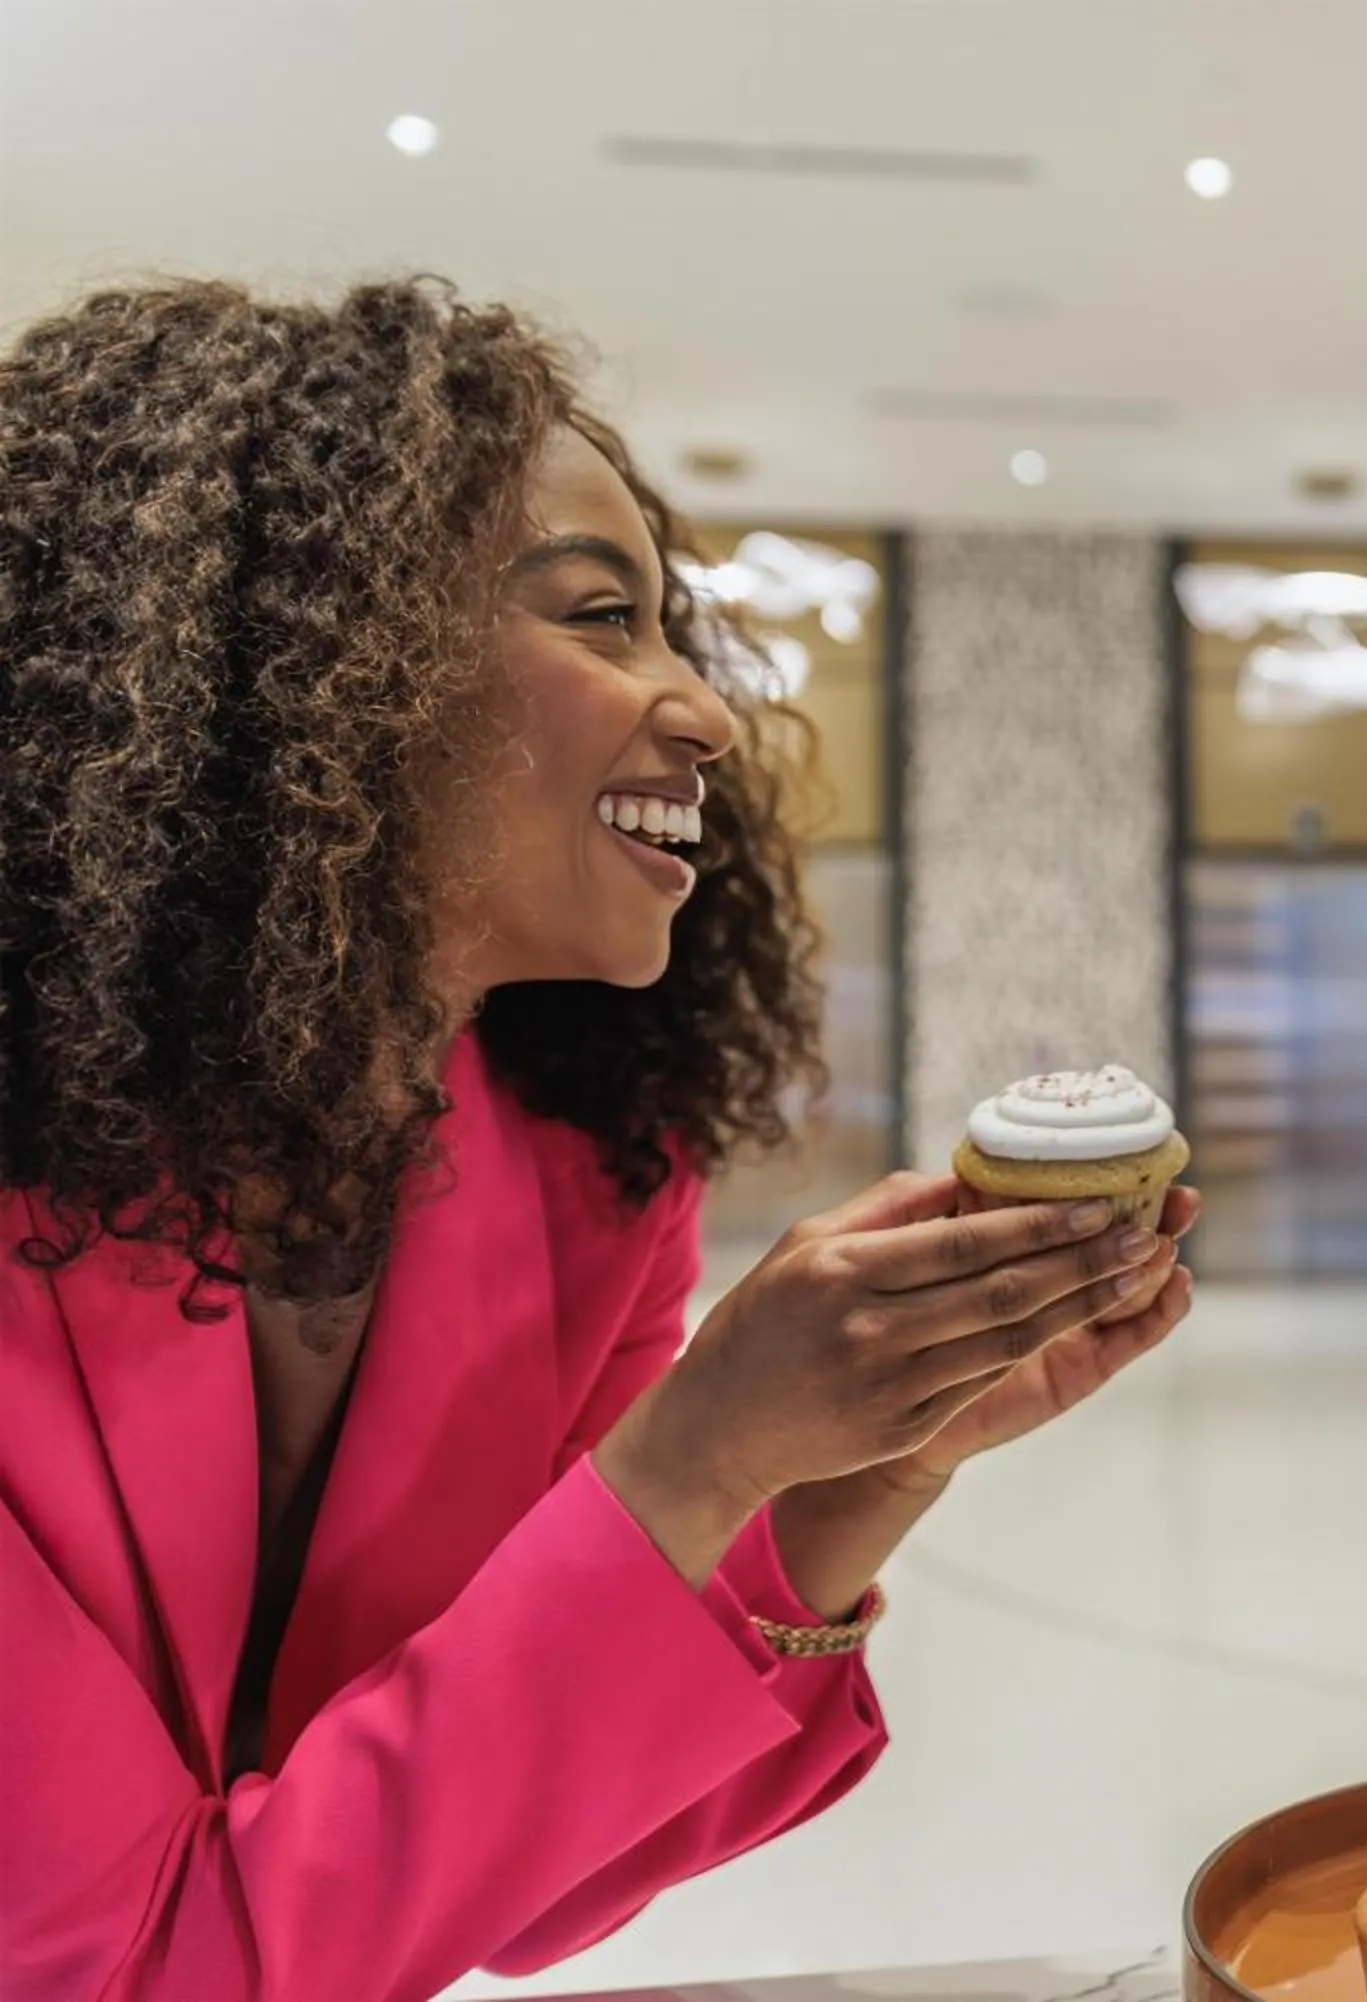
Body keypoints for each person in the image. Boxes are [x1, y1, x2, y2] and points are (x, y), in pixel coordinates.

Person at [0, 278, 1197, 2002]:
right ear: (311, 665)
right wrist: (693, 1456)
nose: (704, 711)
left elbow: (521, 1882)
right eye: (598, 617)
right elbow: (133, 1964)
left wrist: (857, 1475)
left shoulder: (595, 1173)